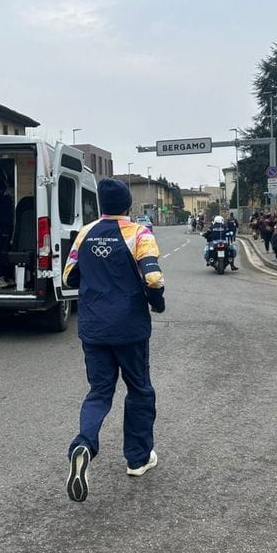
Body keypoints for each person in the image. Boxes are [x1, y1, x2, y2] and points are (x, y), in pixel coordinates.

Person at [63, 178, 165, 502]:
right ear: (128, 206)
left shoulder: (85, 233)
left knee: (99, 391)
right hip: (129, 328)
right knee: (139, 389)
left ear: (100, 206)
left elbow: (69, 276)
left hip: (93, 327)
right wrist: (157, 301)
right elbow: (152, 276)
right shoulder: (139, 233)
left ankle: (83, 443)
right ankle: (138, 458)